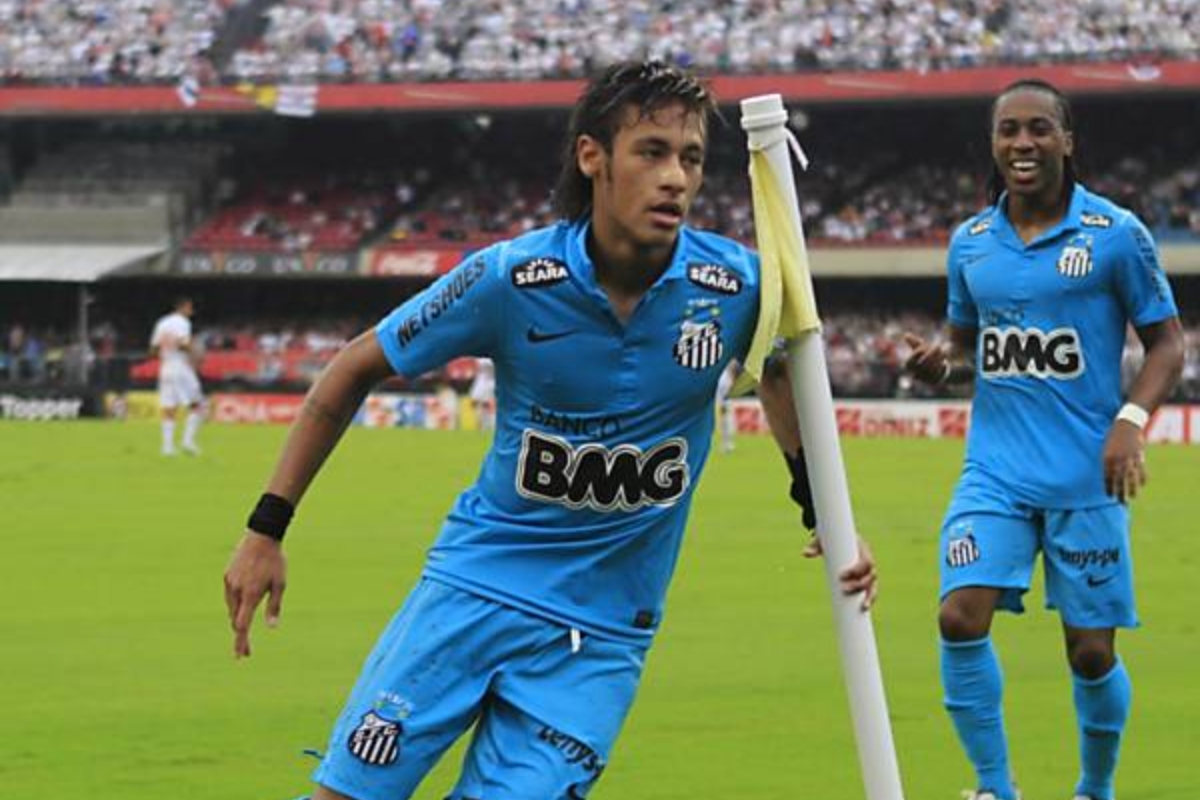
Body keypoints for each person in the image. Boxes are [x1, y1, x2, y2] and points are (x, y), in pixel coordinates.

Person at [223, 60, 878, 800]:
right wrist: (266, 527)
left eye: (691, 158)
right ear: (593, 156)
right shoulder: (510, 277)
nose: (676, 179)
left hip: (602, 637)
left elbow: (785, 377)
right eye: (652, 152)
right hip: (474, 592)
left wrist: (826, 512)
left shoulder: (737, 288)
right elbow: (351, 369)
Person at [903, 79, 1184, 800]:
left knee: (1090, 656)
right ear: (993, 144)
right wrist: (942, 364)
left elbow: (1167, 345)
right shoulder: (970, 243)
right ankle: (996, 788)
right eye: (1007, 132)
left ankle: (1094, 790)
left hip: (1085, 474)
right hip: (994, 470)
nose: (1021, 144)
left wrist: (1130, 423)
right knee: (958, 615)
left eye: (1037, 130)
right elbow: (969, 352)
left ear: (1066, 140)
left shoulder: (1117, 235)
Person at [150, 297, 204, 455]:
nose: (191, 312)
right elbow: (182, 343)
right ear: (184, 307)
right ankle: (188, 442)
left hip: (165, 367)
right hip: (181, 367)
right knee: (197, 404)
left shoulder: (161, 323)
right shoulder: (182, 322)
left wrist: (165, 353)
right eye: (190, 309)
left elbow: (153, 349)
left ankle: (167, 447)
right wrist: (195, 353)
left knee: (169, 406)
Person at [468, 356, 495, 431]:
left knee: (490, 406)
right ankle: (482, 428)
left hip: (490, 383)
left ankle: (492, 428)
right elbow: (476, 369)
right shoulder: (480, 357)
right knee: (479, 405)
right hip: (481, 382)